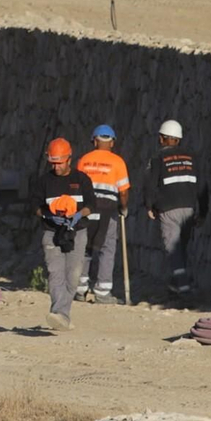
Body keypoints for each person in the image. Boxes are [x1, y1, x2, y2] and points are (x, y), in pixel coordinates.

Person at [36, 138, 93, 330]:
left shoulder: (82, 179)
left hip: (77, 232)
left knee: (73, 276)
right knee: (55, 273)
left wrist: (77, 215)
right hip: (51, 232)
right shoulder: (43, 181)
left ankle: (62, 314)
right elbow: (34, 207)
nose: (56, 166)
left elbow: (90, 205)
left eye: (59, 162)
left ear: (69, 159)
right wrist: (48, 215)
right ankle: (60, 314)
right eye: (52, 162)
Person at [145, 118, 207, 294]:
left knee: (173, 248)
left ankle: (183, 287)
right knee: (181, 247)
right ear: (178, 139)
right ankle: (176, 284)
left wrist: (149, 205)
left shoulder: (158, 157)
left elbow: (150, 183)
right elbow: (202, 186)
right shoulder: (191, 157)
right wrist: (203, 211)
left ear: (163, 139)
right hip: (189, 208)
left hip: (168, 208)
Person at [77, 124, 130, 303]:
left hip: (87, 209)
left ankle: (80, 288)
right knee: (107, 248)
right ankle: (102, 292)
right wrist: (123, 208)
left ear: (94, 141)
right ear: (112, 142)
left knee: (85, 246)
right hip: (108, 210)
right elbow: (123, 191)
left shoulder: (84, 160)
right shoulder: (118, 162)